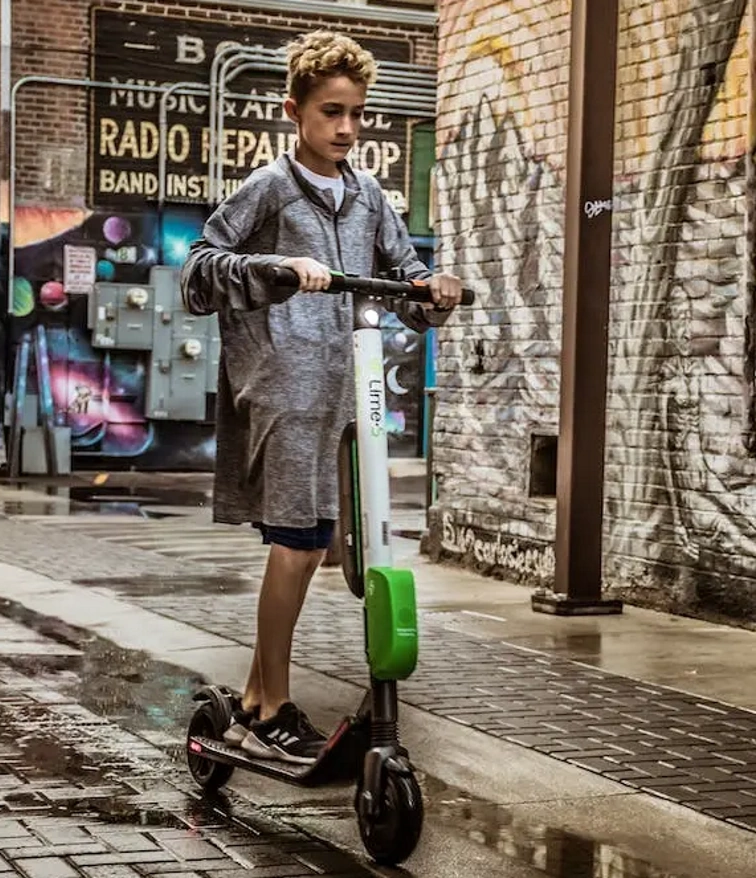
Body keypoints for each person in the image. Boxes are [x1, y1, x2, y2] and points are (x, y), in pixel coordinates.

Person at [180, 30, 462, 766]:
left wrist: (435, 290)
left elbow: (405, 273)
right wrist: (279, 266)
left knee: (328, 550)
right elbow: (199, 271)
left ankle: (247, 703)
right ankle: (271, 710)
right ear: (294, 111)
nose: (346, 128)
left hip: (348, 393)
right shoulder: (269, 187)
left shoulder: (368, 195)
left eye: (356, 113)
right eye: (331, 111)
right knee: (297, 547)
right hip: (283, 386)